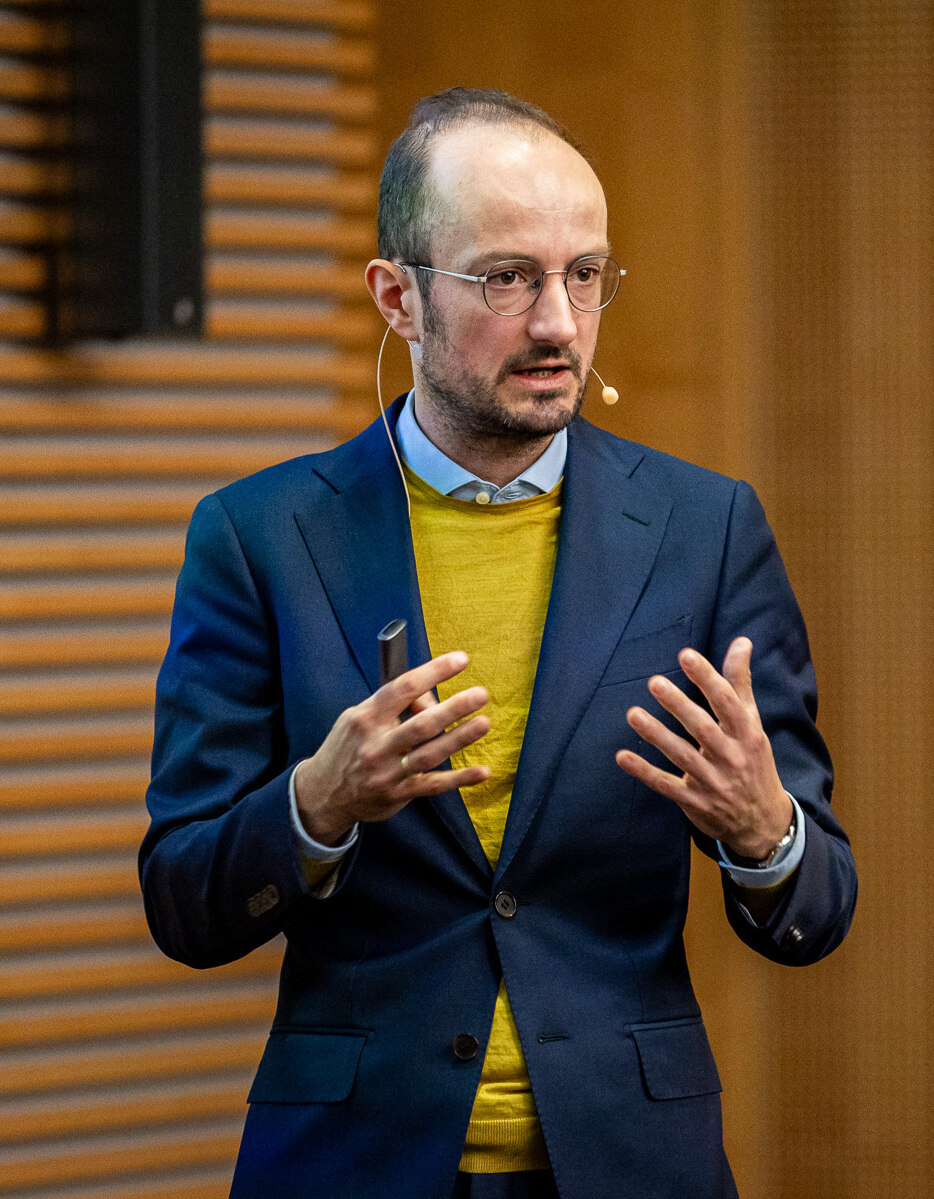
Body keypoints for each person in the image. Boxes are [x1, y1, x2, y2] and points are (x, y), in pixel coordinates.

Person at [141, 88, 857, 1199]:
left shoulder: (704, 531)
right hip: (355, 1159)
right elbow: (183, 905)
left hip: (629, 1156)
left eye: (584, 273)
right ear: (398, 296)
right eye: (507, 277)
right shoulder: (260, 536)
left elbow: (816, 911)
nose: (559, 323)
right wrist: (315, 803)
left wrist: (766, 831)